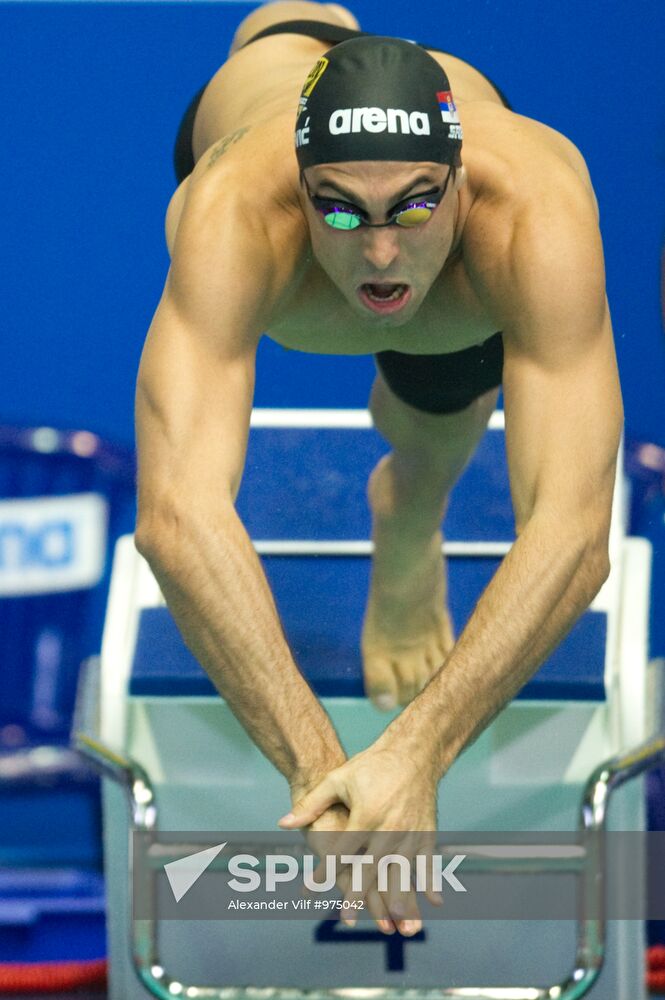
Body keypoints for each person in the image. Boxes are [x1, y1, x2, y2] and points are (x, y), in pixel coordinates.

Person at [135, 0, 623, 935]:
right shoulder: (235, 212)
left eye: (414, 203)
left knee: (436, 427)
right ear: (300, 185)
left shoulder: (530, 213)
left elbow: (572, 527)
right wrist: (323, 774)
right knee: (283, 26)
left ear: (460, 178)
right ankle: (312, 25)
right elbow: (176, 514)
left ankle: (407, 518)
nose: (381, 250)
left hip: (457, 286)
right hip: (259, 108)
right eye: (340, 209)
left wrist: (417, 753)